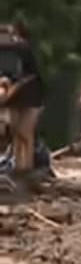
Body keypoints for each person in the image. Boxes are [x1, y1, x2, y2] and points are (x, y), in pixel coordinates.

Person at [0, 23, 44, 174]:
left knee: (25, 132)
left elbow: (28, 76)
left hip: (31, 95)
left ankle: (27, 167)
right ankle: (19, 168)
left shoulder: (24, 50)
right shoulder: (6, 52)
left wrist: (11, 89)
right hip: (14, 97)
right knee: (15, 132)